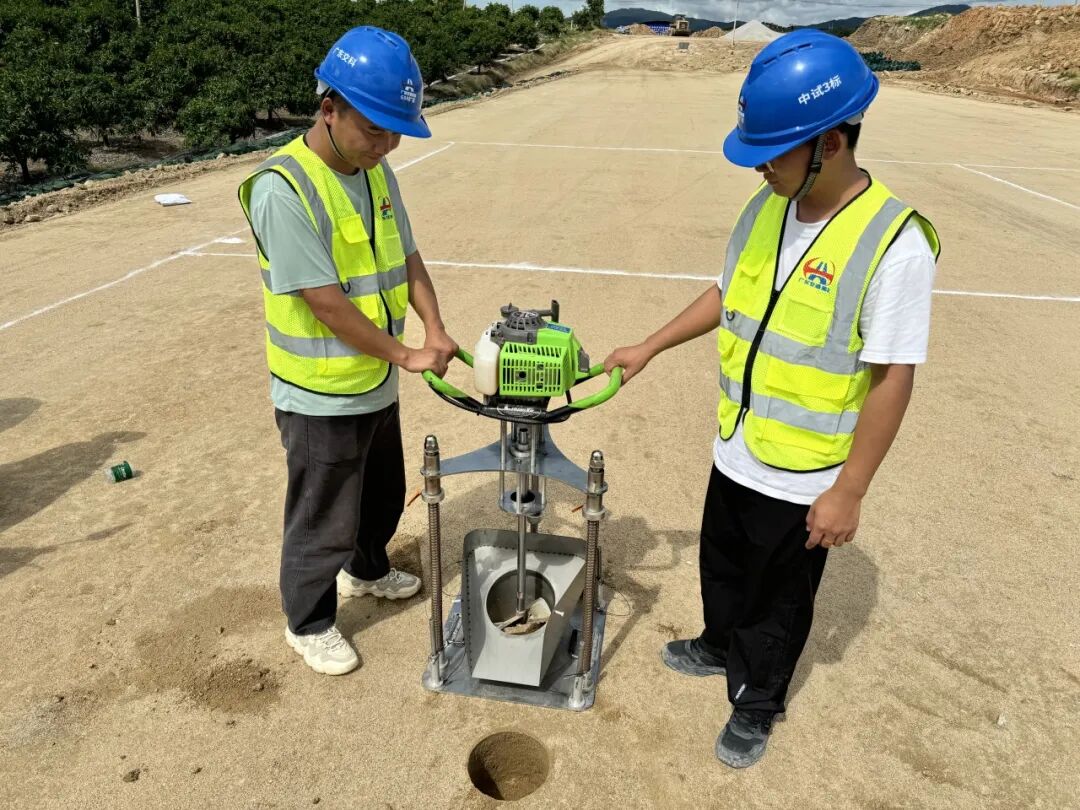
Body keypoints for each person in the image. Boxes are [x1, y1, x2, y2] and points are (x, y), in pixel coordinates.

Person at [604, 30, 939, 767]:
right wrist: (649, 346)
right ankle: (717, 643)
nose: (760, 165)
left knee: (779, 601)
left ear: (830, 143)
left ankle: (757, 701)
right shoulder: (769, 206)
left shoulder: (895, 244)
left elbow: (893, 378)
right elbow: (727, 293)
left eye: (775, 151)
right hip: (739, 441)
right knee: (723, 566)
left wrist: (849, 490)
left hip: (804, 472)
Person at [238, 27, 458, 676]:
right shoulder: (282, 189)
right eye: (375, 130)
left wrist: (434, 326)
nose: (386, 146)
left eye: (395, 133)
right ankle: (307, 622)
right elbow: (326, 303)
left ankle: (366, 569)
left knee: (382, 495)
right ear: (329, 108)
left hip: (372, 380)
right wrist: (407, 355)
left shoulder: (374, 170)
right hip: (320, 393)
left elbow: (406, 255)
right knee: (322, 516)